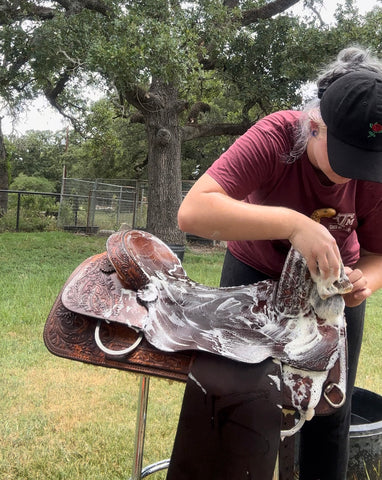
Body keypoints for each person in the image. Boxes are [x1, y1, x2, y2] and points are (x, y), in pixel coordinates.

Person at [165, 46, 382, 480]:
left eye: (364, 163)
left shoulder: (373, 171)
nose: (350, 174)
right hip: (254, 269)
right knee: (240, 395)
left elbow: (378, 252)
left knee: (331, 406)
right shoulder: (277, 135)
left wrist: (367, 283)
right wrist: (292, 223)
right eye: (343, 158)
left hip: (332, 291)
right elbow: (193, 212)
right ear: (314, 124)